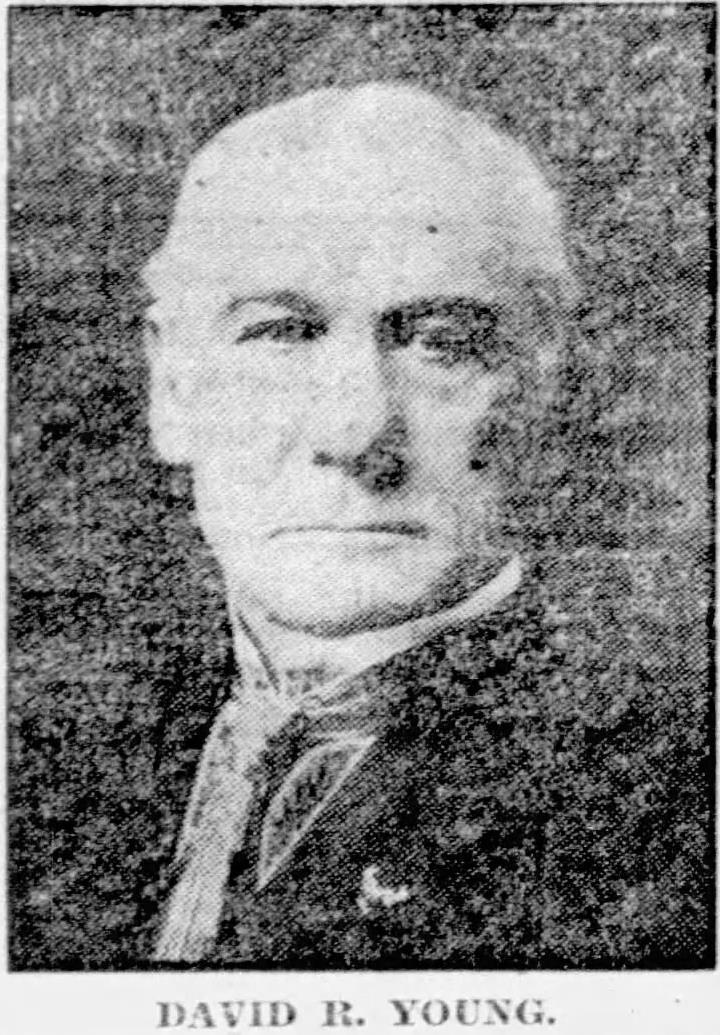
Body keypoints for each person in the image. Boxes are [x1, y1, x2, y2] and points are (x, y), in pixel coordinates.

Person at [141, 82, 705, 967]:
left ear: (543, 389)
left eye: (440, 342)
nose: (356, 431)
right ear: (172, 390)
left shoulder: (677, 790)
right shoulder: (47, 745)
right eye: (280, 333)